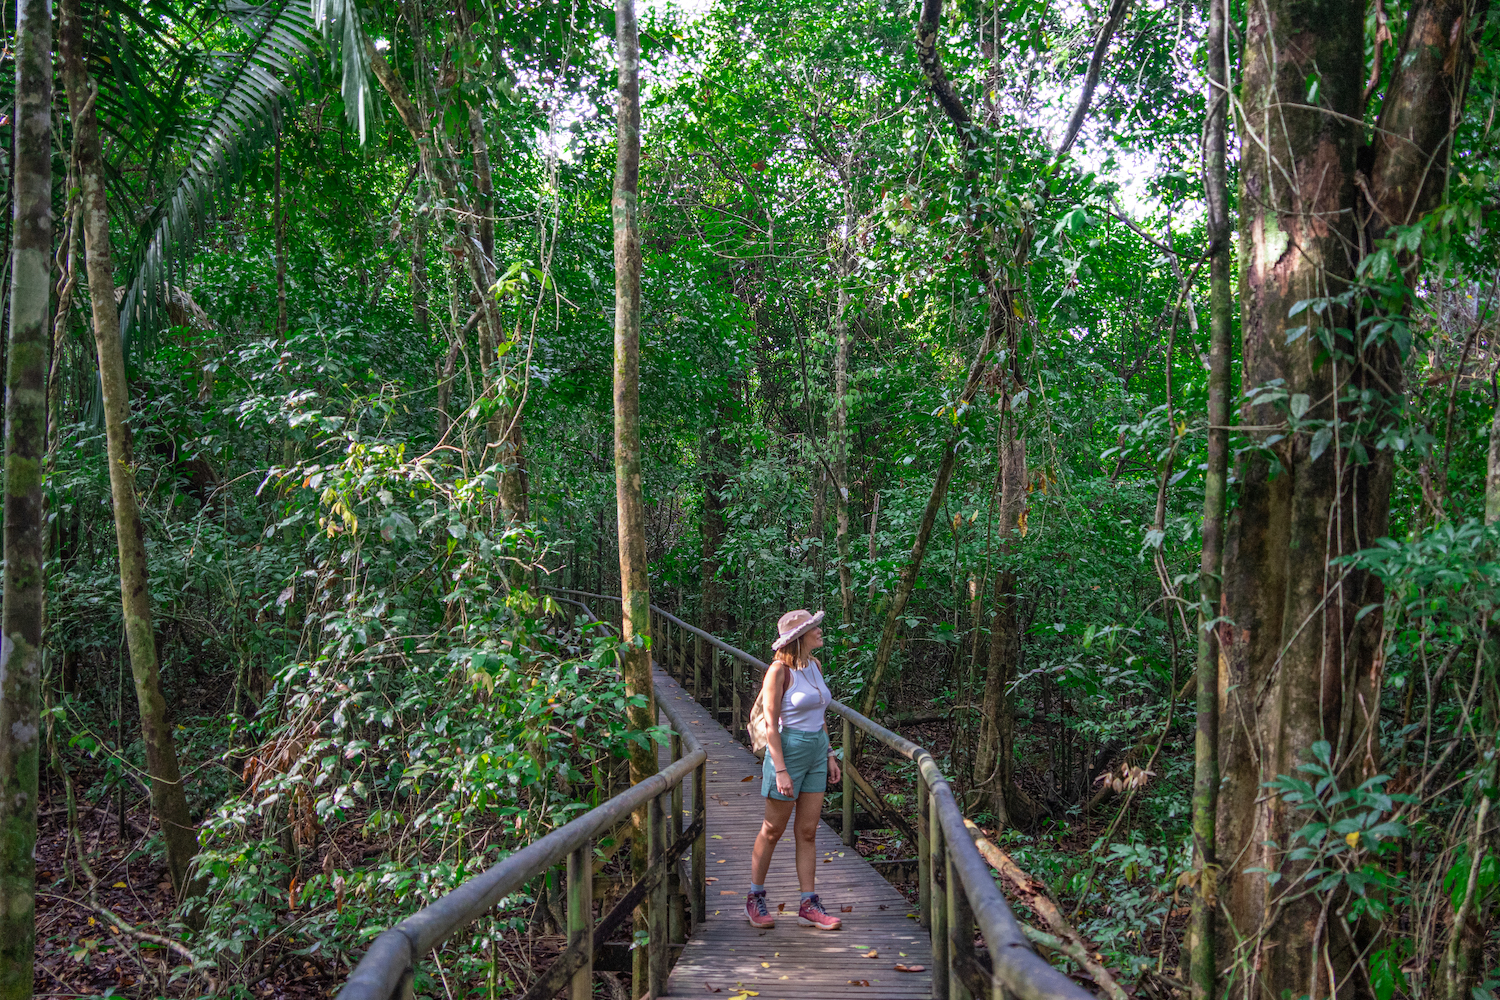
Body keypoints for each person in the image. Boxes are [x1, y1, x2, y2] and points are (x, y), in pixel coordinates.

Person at [745, 608, 842, 930]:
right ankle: (755, 896)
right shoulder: (778, 671)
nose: (820, 631)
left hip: (816, 749)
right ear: (799, 638)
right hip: (788, 750)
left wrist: (829, 754)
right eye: (815, 628)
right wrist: (782, 770)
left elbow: (820, 714)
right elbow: (771, 724)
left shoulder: (814, 665)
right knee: (772, 829)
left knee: (808, 831)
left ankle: (808, 902)